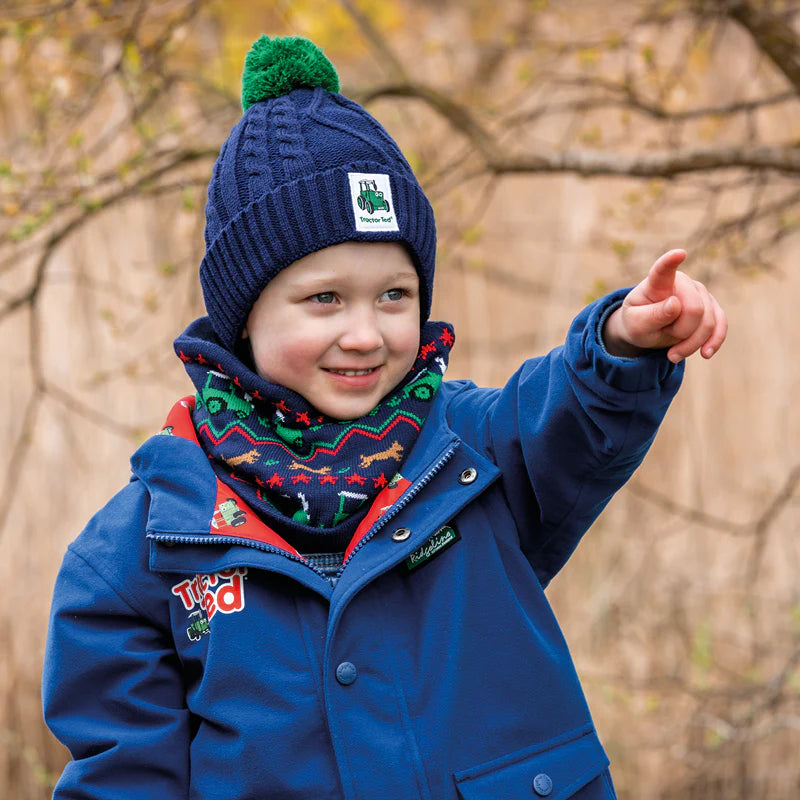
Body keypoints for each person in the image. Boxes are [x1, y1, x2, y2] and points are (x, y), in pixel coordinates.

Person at [42, 35, 727, 800]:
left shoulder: (473, 451)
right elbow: (124, 779)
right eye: (324, 299)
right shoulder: (138, 554)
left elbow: (567, 417)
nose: (366, 334)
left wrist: (622, 347)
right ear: (244, 318)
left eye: (394, 295)